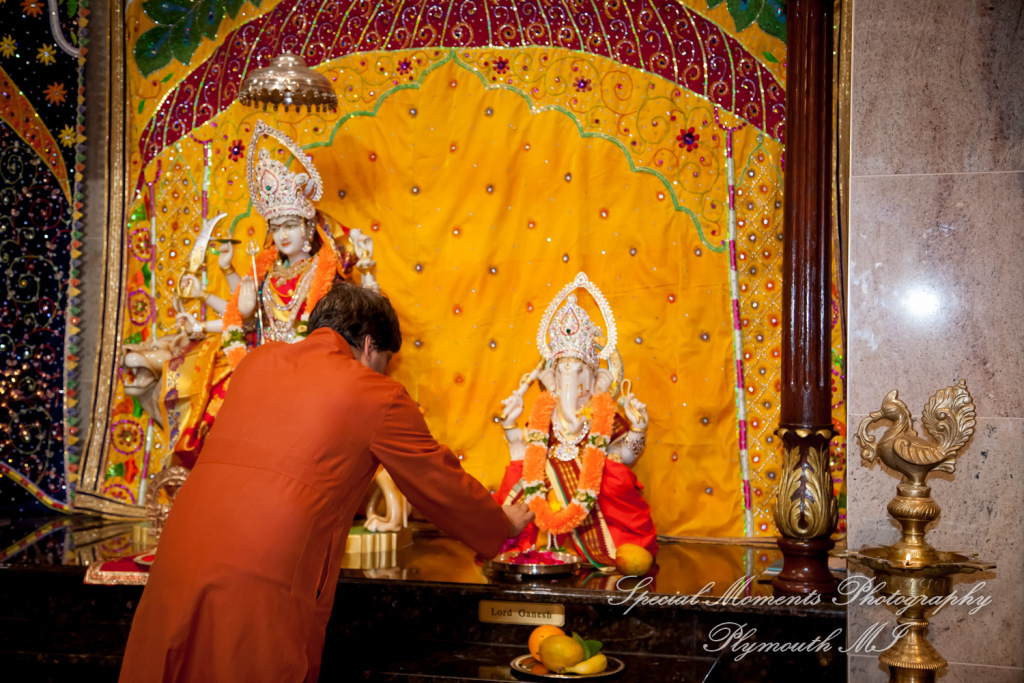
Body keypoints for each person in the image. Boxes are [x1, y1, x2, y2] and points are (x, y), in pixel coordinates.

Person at [119, 282, 533, 682]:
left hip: (179, 553)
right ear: (370, 344)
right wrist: (499, 524)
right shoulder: (376, 394)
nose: (384, 371)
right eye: (385, 360)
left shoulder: (256, 364)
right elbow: (438, 481)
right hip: (262, 572)